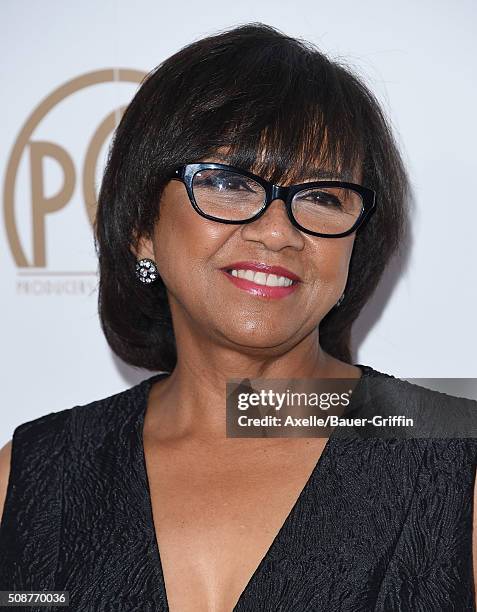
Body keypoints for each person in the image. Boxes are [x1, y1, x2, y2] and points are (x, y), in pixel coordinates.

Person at [1, 22, 476, 612]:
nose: (278, 232)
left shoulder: (458, 459)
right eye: (228, 181)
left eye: (323, 196)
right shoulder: (34, 471)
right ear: (141, 226)